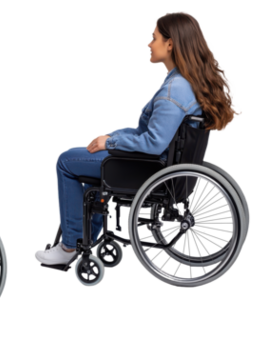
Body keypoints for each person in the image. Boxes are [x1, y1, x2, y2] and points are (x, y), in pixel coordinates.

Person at [32, 10, 244, 266]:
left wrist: (110, 143)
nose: (148, 43)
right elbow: (147, 133)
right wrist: (110, 137)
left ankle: (70, 246)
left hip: (146, 167)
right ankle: (87, 236)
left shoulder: (174, 90)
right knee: (83, 162)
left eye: (154, 38)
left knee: (66, 161)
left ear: (170, 44)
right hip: (154, 164)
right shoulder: (185, 82)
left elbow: (153, 143)